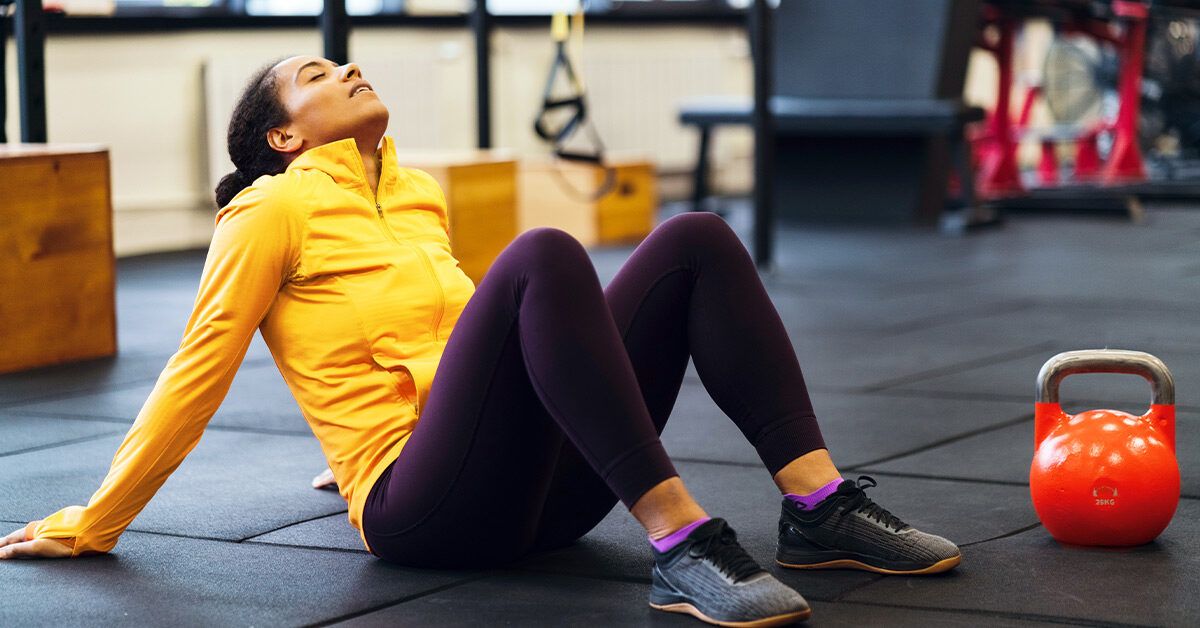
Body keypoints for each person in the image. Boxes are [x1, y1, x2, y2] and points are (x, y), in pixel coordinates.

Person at [0, 56, 961, 626]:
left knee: (694, 239)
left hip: (542, 493)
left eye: (340, 60)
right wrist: (98, 519)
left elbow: (465, 352)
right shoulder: (265, 212)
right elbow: (195, 370)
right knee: (543, 254)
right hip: (425, 513)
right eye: (313, 76)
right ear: (283, 137)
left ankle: (818, 505)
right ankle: (682, 540)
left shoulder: (415, 194)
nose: (342, 68)